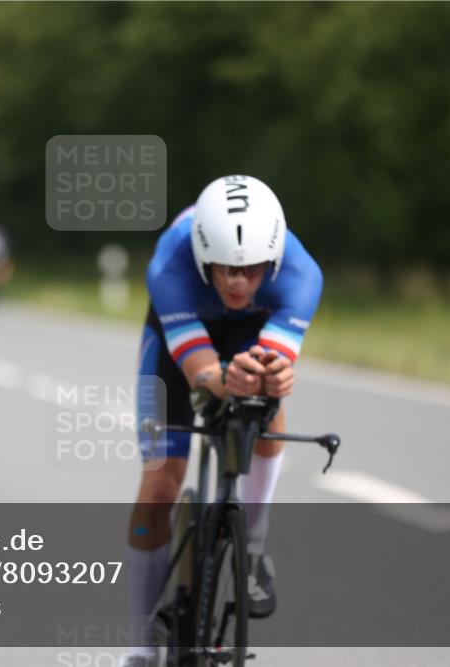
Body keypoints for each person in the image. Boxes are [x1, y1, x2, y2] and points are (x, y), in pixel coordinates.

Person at [121, 175, 323, 666]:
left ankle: (251, 547)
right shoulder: (171, 262)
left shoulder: (301, 273)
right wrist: (220, 378)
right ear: (202, 254)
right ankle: (141, 645)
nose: (238, 281)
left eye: (253, 270)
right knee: (159, 489)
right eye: (225, 269)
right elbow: (200, 370)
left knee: (267, 410)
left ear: (272, 259)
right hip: (181, 340)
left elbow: (273, 364)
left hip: (249, 334)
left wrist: (272, 377)